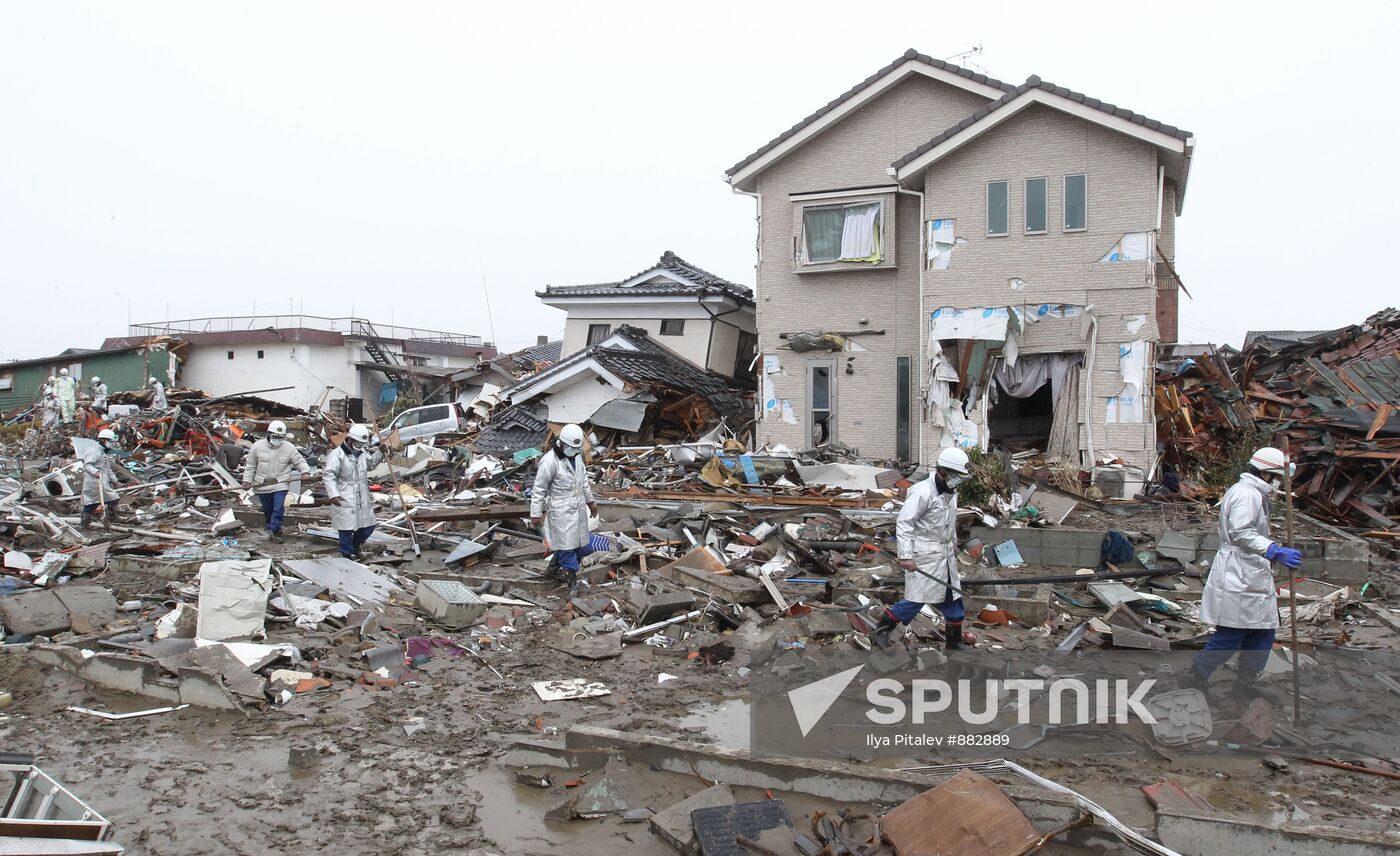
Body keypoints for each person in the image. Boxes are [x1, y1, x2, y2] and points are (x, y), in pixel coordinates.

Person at [1183, 447, 1302, 697]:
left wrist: (1270, 550)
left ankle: (1245, 683)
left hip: (1252, 571)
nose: (1280, 482)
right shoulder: (1246, 494)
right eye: (1279, 477)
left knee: (1262, 631)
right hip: (1239, 572)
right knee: (1232, 633)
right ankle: (1196, 675)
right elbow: (1241, 532)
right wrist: (1273, 549)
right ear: (1267, 474)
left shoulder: (1254, 493)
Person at [872, 448, 973, 651]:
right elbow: (905, 523)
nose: (957, 481)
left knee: (953, 597)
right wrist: (905, 556)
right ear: (943, 473)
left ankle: (954, 642)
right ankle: (881, 631)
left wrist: (953, 545)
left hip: (944, 556)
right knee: (916, 600)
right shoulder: (923, 491)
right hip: (925, 555)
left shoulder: (951, 493)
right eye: (956, 477)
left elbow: (950, 522)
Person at [530, 423, 598, 598]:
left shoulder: (577, 458)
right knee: (566, 547)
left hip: (577, 507)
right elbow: (539, 488)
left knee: (573, 545)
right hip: (560, 509)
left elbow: (584, 482)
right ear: (562, 444)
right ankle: (572, 584)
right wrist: (535, 513)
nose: (575, 451)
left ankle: (552, 571)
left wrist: (591, 502)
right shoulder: (550, 461)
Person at [241, 420, 311, 542]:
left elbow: (299, 461)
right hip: (262, 484)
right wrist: (247, 481)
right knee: (268, 510)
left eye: (280, 437)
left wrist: (305, 471)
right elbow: (250, 466)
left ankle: (274, 530)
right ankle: (272, 527)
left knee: (278, 508)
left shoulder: (289, 448)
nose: (277, 439)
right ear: (268, 434)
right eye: (275, 436)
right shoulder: (257, 447)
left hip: (280, 483)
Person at [323, 424, 382, 559]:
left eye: (362, 444)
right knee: (346, 528)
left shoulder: (362, 453)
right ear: (350, 440)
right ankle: (346, 554)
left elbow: (371, 464)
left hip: (362, 492)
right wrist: (334, 495)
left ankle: (355, 545)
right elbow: (329, 475)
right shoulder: (337, 455)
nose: (359, 446)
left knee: (368, 526)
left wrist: (380, 452)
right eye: (357, 443)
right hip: (345, 492)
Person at [80, 428, 122, 530]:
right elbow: (87, 466)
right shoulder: (93, 451)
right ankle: (85, 524)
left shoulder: (103, 452)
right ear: (104, 440)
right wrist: (97, 473)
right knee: (91, 503)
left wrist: (115, 481)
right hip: (93, 482)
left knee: (112, 498)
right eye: (110, 442)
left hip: (102, 481)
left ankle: (112, 517)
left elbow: (107, 469)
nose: (111, 444)